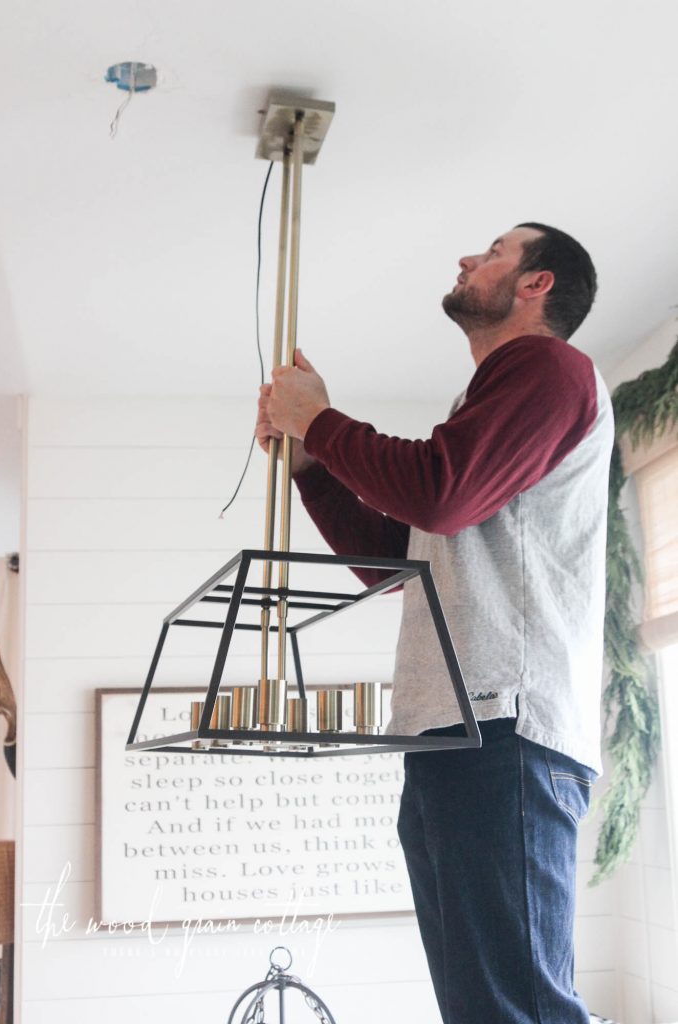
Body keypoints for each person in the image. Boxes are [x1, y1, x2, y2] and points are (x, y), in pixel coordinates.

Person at [256, 222, 614, 1024]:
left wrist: (319, 421)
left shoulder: (549, 368)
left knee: (513, 1008)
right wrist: (312, 461)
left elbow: (438, 493)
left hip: (504, 728)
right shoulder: (489, 404)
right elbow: (395, 558)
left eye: (493, 250)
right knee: (485, 1008)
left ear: (537, 284)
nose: (466, 258)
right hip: (459, 733)